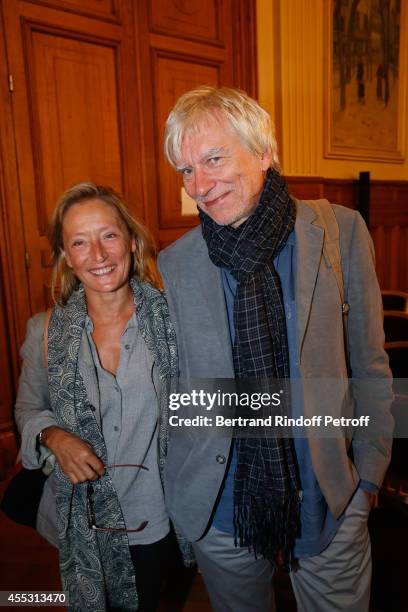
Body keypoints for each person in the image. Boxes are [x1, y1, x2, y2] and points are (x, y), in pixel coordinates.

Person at [158, 86, 393, 612]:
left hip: (329, 493)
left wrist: (370, 471)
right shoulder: (175, 264)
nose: (200, 184)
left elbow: (370, 362)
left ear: (264, 151)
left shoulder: (340, 231)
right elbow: (175, 392)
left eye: (214, 158)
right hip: (223, 504)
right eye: (186, 170)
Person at [14, 182, 190, 611]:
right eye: (80, 242)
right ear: (66, 258)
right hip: (81, 522)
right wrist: (54, 435)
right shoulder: (44, 331)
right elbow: (27, 408)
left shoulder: (176, 321)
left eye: (108, 235)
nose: (98, 254)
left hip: (159, 516)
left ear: (131, 240)